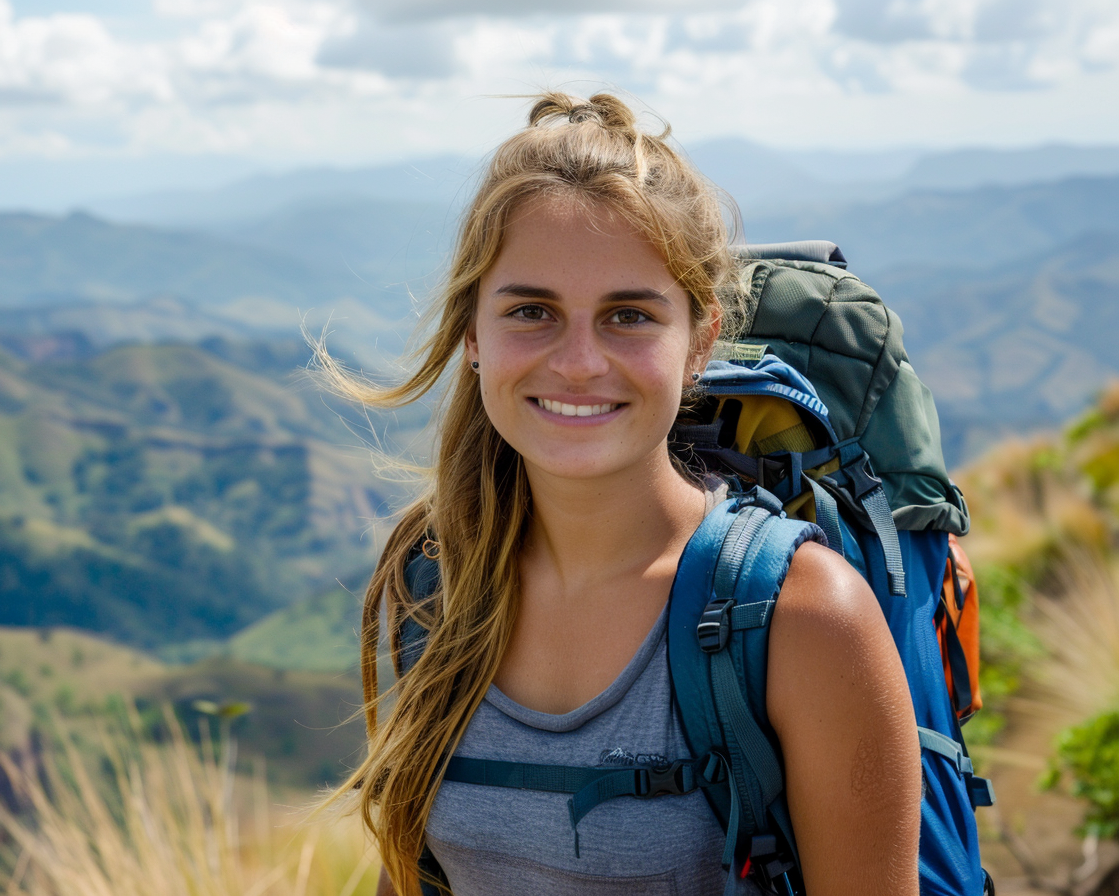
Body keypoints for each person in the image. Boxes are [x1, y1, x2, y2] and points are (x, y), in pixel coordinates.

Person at [321, 92, 922, 896]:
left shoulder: (802, 618)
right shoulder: (431, 576)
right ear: (473, 334)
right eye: (531, 311)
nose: (577, 363)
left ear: (700, 341)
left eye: (629, 316)